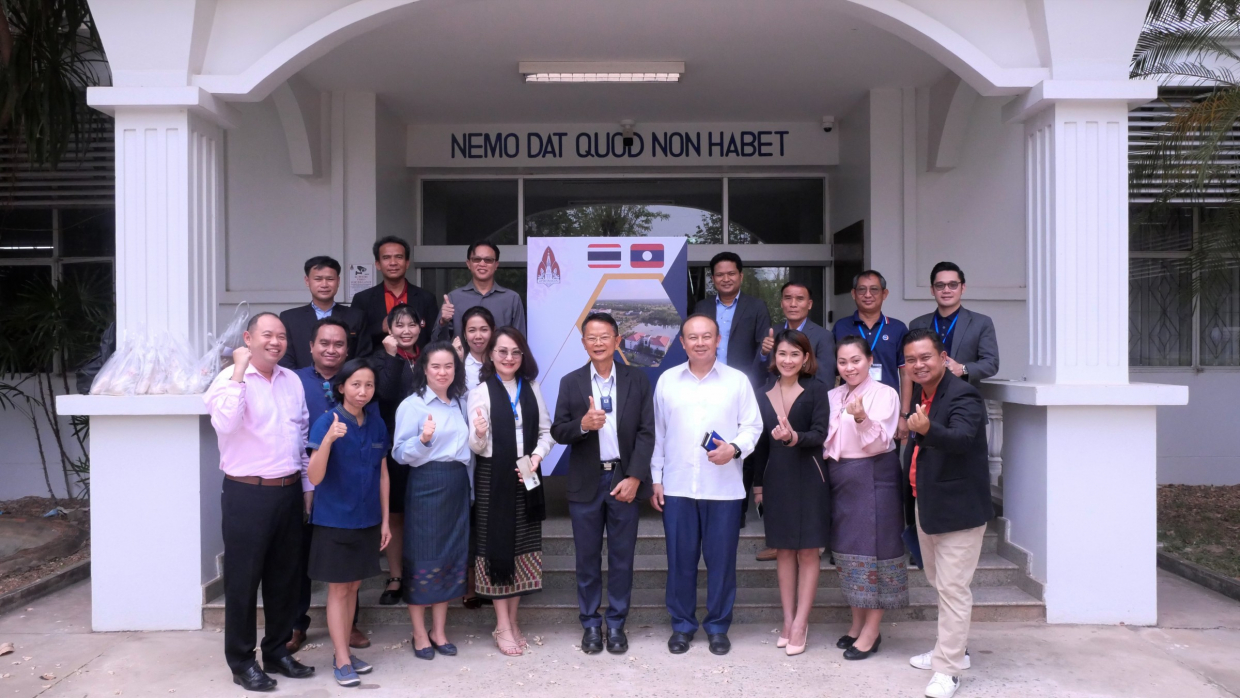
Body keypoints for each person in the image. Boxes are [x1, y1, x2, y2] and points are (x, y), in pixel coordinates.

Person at [203, 313, 315, 691]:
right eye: (267, 335)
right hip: (247, 493)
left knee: (285, 578)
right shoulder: (228, 380)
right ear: (248, 338)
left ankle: (277, 651)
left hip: (288, 490)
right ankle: (241, 661)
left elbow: (300, 436)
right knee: (243, 581)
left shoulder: (292, 380)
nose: (275, 342)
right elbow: (225, 424)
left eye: (281, 336)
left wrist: (306, 488)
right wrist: (238, 371)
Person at [651, 314, 763, 657]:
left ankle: (717, 627)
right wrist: (656, 478)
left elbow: (753, 426)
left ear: (718, 341)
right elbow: (658, 434)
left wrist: (734, 448)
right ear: (682, 342)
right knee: (680, 561)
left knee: (722, 563)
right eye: (692, 337)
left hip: (723, 490)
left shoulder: (737, 381)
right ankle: (682, 626)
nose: (700, 342)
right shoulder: (667, 381)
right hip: (678, 487)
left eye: (706, 336)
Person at [550, 312, 655, 655]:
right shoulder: (571, 382)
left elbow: (647, 432)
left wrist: (635, 476)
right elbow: (558, 431)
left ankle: (617, 623)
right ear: (583, 343)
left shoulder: (637, 379)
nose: (598, 343)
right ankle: (591, 624)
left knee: (622, 557)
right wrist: (582, 424)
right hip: (586, 481)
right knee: (587, 558)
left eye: (604, 337)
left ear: (617, 341)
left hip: (624, 479)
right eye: (591, 338)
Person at [901, 328, 994, 698]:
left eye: (926, 357)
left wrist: (928, 429)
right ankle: (951, 649)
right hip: (928, 502)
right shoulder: (924, 394)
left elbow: (963, 439)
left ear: (943, 358)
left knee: (954, 589)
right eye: (911, 360)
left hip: (959, 509)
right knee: (940, 583)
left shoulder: (963, 394)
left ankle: (948, 669)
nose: (919, 365)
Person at [467, 326, 553, 657]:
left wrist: (537, 456)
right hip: (494, 477)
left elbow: (546, 432)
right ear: (491, 354)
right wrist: (479, 433)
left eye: (515, 352)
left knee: (521, 549)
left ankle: (513, 621)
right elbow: (476, 447)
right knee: (498, 547)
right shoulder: (481, 392)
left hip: (527, 473)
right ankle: (502, 625)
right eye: (502, 351)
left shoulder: (532, 387)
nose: (509, 357)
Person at [306, 359, 390, 687]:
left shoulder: (376, 424)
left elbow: (382, 475)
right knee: (339, 589)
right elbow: (315, 477)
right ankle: (341, 657)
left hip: (367, 519)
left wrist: (385, 521)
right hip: (335, 520)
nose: (362, 391)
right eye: (355, 384)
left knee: (354, 587)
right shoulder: (326, 421)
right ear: (341, 387)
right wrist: (328, 440)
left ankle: (344, 652)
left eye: (368, 385)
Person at [824, 336, 908, 661]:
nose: (849, 368)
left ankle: (872, 630)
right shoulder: (833, 395)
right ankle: (857, 624)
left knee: (876, 552)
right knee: (849, 552)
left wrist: (861, 418)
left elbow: (879, 443)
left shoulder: (885, 394)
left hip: (874, 476)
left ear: (870, 360)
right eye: (843, 362)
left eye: (856, 360)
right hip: (841, 478)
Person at [289, 317, 369, 653]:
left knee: (348, 563)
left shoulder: (358, 381)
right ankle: (296, 623)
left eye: (339, 344)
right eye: (324, 343)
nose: (331, 349)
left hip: (345, 488)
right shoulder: (293, 381)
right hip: (301, 477)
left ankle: (349, 624)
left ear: (347, 349)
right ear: (311, 347)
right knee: (297, 556)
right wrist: (306, 485)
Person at [750, 329, 830, 657]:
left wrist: (794, 437)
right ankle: (787, 620)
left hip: (810, 477)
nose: (788, 360)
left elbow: (821, 434)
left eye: (795, 354)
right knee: (783, 550)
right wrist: (758, 487)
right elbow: (759, 446)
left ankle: (801, 623)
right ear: (774, 356)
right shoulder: (762, 393)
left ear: (806, 358)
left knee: (808, 551)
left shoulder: (817, 389)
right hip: (777, 479)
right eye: (782, 353)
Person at [391, 341, 473, 660]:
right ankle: (418, 632)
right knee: (422, 556)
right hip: (426, 484)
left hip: (456, 484)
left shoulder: (460, 402)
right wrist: (423, 440)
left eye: (449, 366)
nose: (442, 372)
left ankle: (439, 631)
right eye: (435, 366)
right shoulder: (412, 405)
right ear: (424, 369)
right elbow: (399, 453)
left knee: (450, 557)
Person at [691, 252, 771, 526]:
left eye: (731, 273)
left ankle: (737, 509)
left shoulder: (756, 306)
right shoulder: (702, 306)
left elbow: (763, 350)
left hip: (741, 386)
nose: (725, 278)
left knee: (742, 445)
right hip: (705, 383)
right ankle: (705, 501)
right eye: (720, 274)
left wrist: (763, 356)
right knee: (706, 439)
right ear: (713, 278)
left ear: (741, 276)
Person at [372, 304, 423, 606]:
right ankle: (395, 576)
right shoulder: (379, 358)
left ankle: (420, 572)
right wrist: (391, 357)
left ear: (420, 326)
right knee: (395, 513)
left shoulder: (429, 356)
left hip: (428, 446)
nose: (406, 331)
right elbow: (385, 395)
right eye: (399, 325)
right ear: (389, 329)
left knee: (422, 512)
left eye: (411, 324)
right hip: (394, 446)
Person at [905, 262, 999, 420]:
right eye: (940, 285)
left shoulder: (981, 323)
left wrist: (962, 369)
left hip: (964, 404)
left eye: (953, 285)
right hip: (924, 405)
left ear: (963, 288)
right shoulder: (917, 324)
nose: (946, 290)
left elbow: (991, 363)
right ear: (932, 290)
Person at [832, 270, 909, 438]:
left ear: (884, 294)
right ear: (853, 293)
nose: (868, 295)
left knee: (886, 452)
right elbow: (834, 372)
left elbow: (906, 373)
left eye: (874, 289)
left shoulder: (897, 328)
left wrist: (904, 415)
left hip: (887, 408)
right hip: (849, 410)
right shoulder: (841, 327)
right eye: (862, 289)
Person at [352, 235, 439, 354]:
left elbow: (433, 339)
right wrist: (380, 327)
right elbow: (354, 338)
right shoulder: (362, 299)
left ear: (407, 263)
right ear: (378, 264)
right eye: (386, 258)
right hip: (376, 363)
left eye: (399, 257)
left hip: (417, 362)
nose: (393, 263)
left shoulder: (426, 298)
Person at [279, 256, 370, 370]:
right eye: (318, 279)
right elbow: (285, 358)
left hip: (345, 380)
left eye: (330, 279)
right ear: (307, 281)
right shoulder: (289, 318)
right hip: (300, 380)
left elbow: (363, 357)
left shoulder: (356, 316)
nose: (324, 284)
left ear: (338, 281)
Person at [432, 241, 526, 342]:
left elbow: (520, 342)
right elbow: (436, 343)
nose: (482, 264)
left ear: (496, 265)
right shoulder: (454, 298)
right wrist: (443, 322)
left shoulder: (511, 299)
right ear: (468, 264)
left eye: (488, 260)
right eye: (476, 259)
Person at [759, 281, 835, 385]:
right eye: (788, 298)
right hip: (772, 394)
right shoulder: (771, 333)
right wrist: (763, 354)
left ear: (809, 304)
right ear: (781, 303)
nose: (793, 304)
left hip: (807, 395)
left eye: (800, 299)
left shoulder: (823, 336)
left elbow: (826, 382)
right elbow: (757, 375)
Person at [454, 305, 495, 392]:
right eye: (472, 330)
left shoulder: (502, 363)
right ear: (465, 334)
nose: (478, 336)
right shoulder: (460, 365)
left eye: (484, 330)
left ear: (493, 331)